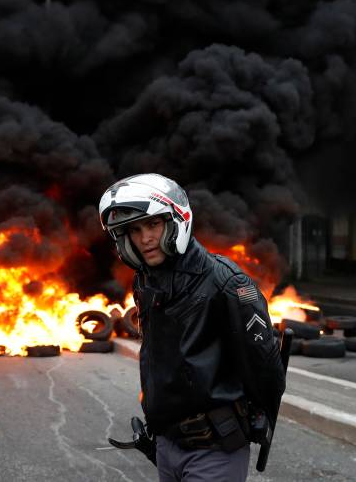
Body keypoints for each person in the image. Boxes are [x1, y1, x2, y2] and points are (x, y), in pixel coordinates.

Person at [99, 173, 287, 481]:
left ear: (177, 220)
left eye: (153, 224)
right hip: (166, 446)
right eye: (134, 229)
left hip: (214, 451)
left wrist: (251, 419)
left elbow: (266, 369)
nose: (145, 238)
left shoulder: (227, 282)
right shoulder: (146, 281)